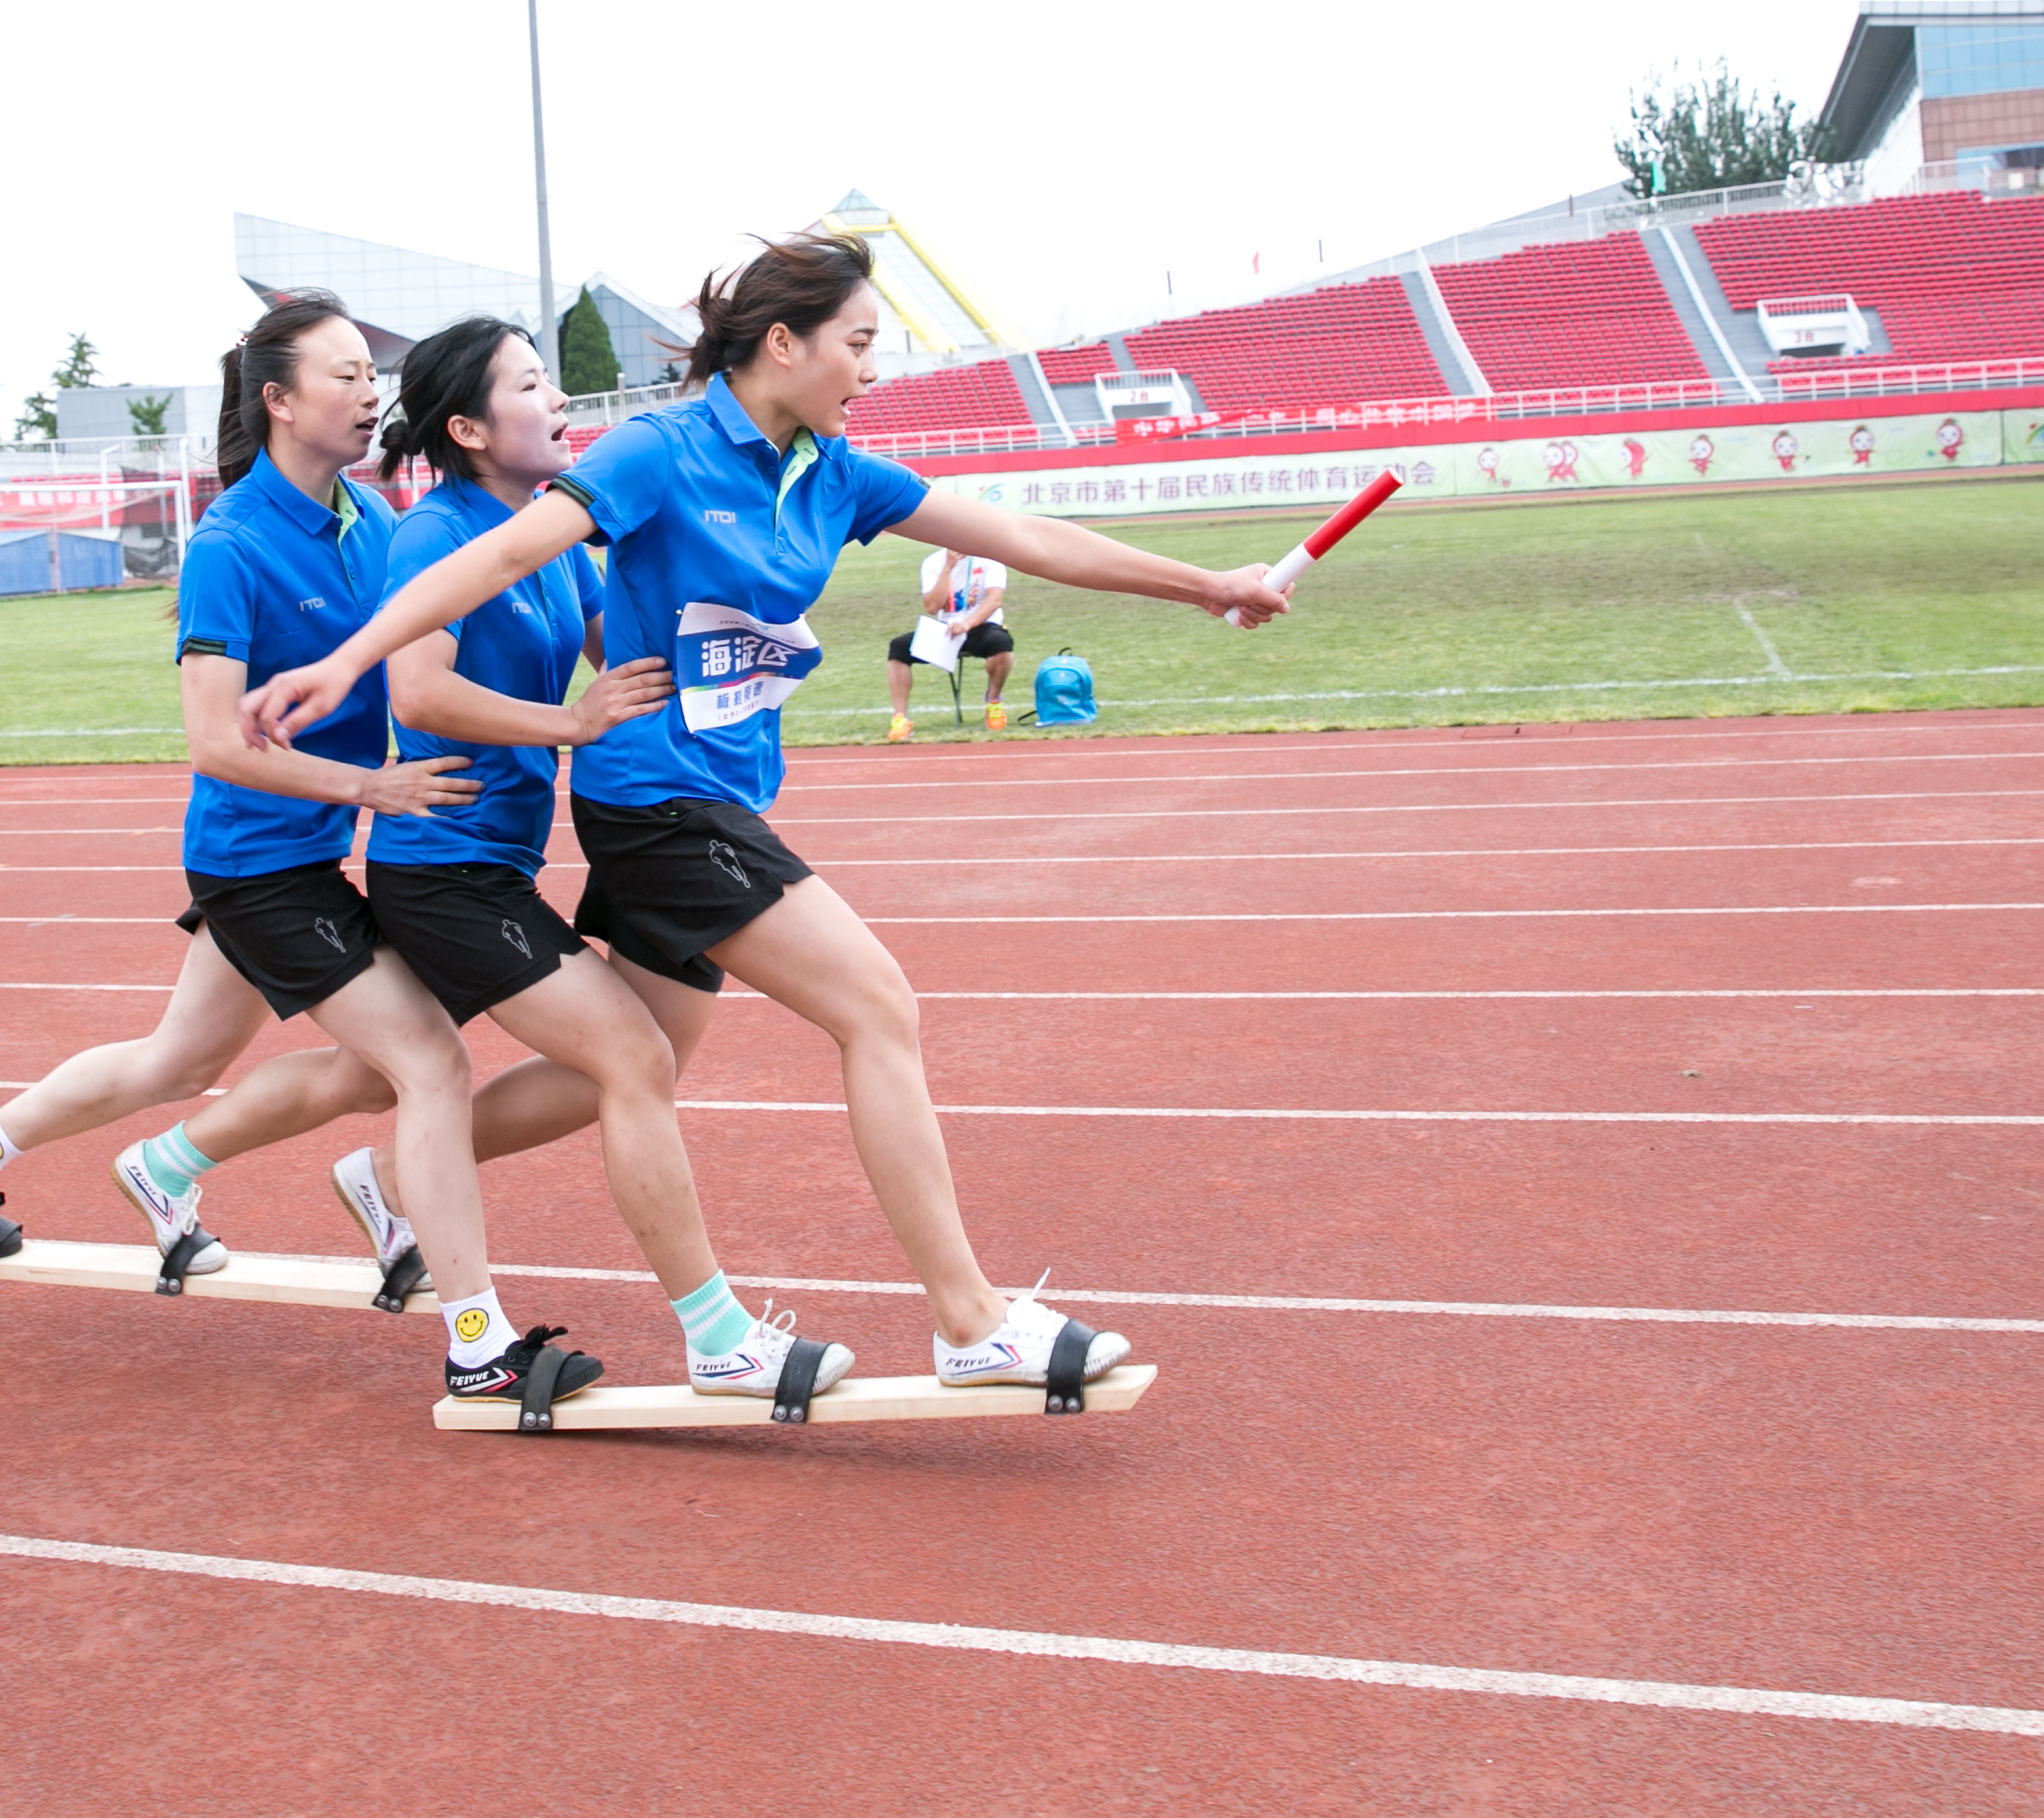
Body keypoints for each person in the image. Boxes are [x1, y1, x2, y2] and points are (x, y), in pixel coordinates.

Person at [248, 225, 1294, 1392]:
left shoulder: (834, 470)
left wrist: (1211, 586)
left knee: (634, 1067)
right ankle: (967, 1317)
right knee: (877, 1008)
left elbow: (1022, 537)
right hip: (659, 806)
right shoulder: (660, 451)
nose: (872, 367)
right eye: (857, 343)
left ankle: (399, 1177)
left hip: (719, 797)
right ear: (784, 343)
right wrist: (354, 664)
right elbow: (497, 558)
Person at [128, 314, 852, 1402]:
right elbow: (419, 693)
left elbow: (637, 654)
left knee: (424, 1075)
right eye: (531, 385)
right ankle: (710, 1336)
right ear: (468, 426)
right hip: (439, 866)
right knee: (621, 1061)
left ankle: (339, 1177)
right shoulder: (436, 536)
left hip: (500, 863)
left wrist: (743, 627)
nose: (562, 403)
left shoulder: (554, 545)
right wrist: (570, 726)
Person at [0, 290, 604, 1406]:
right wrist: (369, 784)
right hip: (257, 863)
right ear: (280, 401)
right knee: (425, 1062)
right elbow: (210, 740)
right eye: (343, 374)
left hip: (319, 850)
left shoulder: (374, 521)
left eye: (370, 373)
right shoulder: (229, 545)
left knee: (176, 1063)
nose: (368, 389)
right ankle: (477, 1340)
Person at [884, 543, 1012, 739]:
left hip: (981, 625)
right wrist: (948, 568)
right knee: (899, 648)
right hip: (946, 629)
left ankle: (993, 699)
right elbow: (932, 607)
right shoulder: (932, 563)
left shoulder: (990, 559)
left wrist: (968, 624)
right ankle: (900, 717)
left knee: (1001, 643)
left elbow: (994, 600)